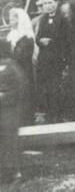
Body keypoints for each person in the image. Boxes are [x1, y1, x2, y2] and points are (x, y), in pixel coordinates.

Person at [36, 0, 69, 123]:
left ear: (56, 3)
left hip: (57, 59)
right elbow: (37, 37)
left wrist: (51, 42)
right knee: (46, 88)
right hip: (44, 59)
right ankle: (49, 114)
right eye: (45, 3)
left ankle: (58, 116)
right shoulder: (42, 19)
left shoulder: (63, 19)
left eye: (50, 3)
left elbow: (66, 39)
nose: (48, 6)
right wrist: (40, 41)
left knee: (56, 88)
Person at [0, 39, 25, 185]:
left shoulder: (12, 67)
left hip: (10, 112)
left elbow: (19, 89)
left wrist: (3, 96)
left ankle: (13, 172)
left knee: (9, 141)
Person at [7, 8, 36, 125]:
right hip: (14, 70)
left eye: (13, 19)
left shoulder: (26, 37)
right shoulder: (11, 35)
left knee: (25, 94)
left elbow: (22, 56)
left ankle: (27, 120)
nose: (10, 21)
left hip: (23, 70)